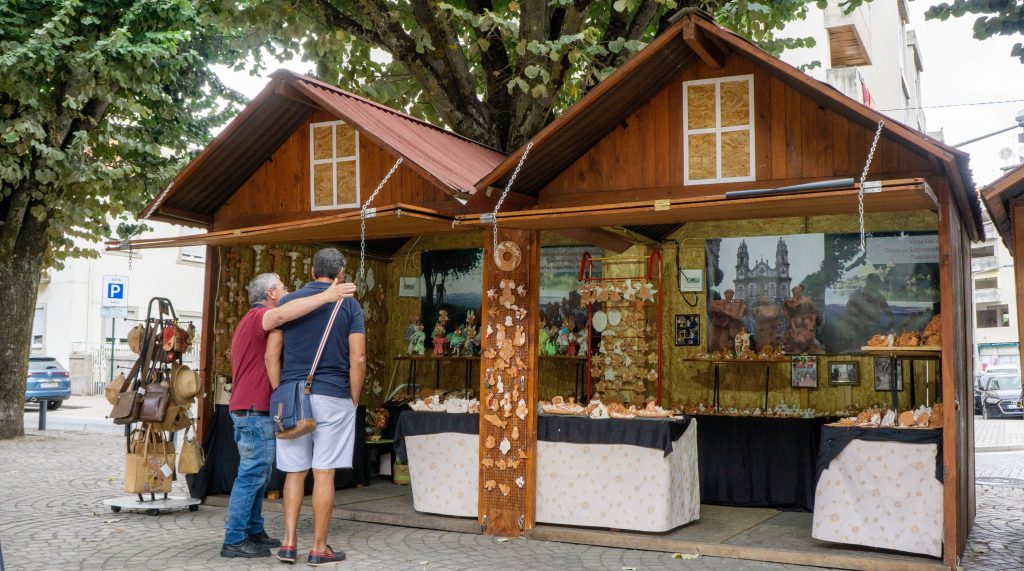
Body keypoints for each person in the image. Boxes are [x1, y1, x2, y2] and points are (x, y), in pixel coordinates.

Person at [221, 272, 354, 559]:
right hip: (255, 408)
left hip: (248, 407)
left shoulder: (251, 321)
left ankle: (254, 530)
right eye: (283, 288)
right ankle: (234, 538)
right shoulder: (259, 316)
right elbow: (283, 319)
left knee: (261, 472)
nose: (288, 291)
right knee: (252, 473)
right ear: (271, 293)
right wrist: (327, 296)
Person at [266, 248, 366, 566]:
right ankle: (319, 548)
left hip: (293, 395)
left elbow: (272, 355)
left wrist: (281, 392)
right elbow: (358, 358)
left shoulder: (288, 303)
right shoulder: (349, 305)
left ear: (311, 271)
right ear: (341, 274)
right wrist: (354, 397)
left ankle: (288, 544)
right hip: (334, 396)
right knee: (324, 473)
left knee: (294, 472)